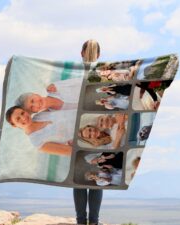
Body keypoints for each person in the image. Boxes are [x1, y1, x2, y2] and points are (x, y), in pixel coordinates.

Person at [73, 39, 103, 225]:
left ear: (81, 53)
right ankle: (94, 222)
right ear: (99, 55)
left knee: (79, 179)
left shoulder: (75, 74)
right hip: (97, 131)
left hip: (79, 130)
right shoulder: (106, 72)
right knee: (96, 178)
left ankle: (80, 221)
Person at [5, 106, 73, 156]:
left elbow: (59, 105)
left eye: (22, 113)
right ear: (14, 125)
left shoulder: (40, 115)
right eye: (18, 119)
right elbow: (69, 151)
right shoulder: (37, 141)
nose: (23, 118)